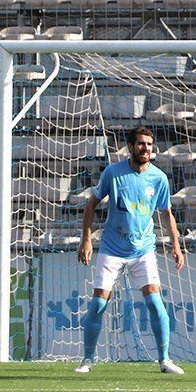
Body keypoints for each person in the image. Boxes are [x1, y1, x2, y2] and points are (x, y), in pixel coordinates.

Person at [76, 126, 185, 374]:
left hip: (143, 250)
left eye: (149, 144)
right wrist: (86, 239)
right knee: (97, 305)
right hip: (112, 248)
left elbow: (167, 213)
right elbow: (91, 204)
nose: (145, 148)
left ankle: (165, 360)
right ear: (130, 147)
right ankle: (88, 359)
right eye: (140, 144)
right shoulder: (113, 174)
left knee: (156, 304)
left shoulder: (158, 178)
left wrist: (176, 246)